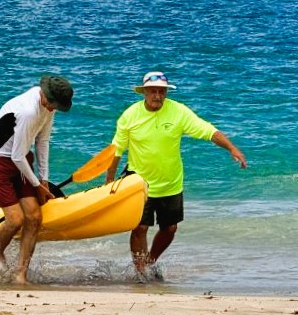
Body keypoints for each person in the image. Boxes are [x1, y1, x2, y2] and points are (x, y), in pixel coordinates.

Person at [105, 71, 247, 280]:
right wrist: (109, 181)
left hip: (170, 183)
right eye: (153, 91)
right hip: (138, 183)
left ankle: (151, 262)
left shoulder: (178, 112)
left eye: (162, 92)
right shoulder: (129, 116)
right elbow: (116, 150)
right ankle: (141, 272)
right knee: (140, 227)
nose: (157, 96)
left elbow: (207, 130)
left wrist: (232, 149)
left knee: (170, 228)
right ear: (144, 92)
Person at [0, 75, 73, 284]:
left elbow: (43, 141)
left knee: (34, 217)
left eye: (56, 106)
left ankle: (20, 273)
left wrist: (44, 179)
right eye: (52, 104)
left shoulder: (49, 107)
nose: (52, 109)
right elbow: (15, 156)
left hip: (20, 158)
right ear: (45, 94)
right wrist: (36, 185)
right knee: (15, 220)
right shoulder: (27, 111)